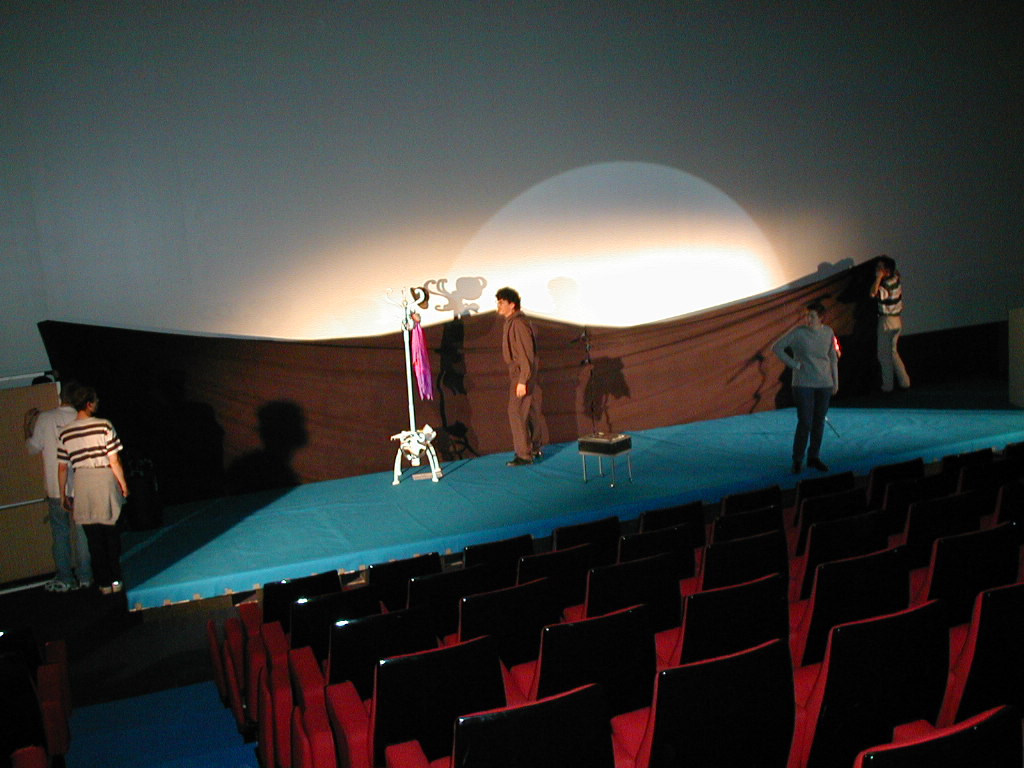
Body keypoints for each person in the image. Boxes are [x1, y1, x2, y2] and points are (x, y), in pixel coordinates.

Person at [57, 385, 130, 595]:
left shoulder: (65, 432)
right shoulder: (103, 425)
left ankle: (103, 582)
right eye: (96, 400)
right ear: (89, 404)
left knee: (93, 537)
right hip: (103, 478)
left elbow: (62, 467)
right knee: (111, 533)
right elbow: (114, 459)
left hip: (82, 481)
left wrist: (63, 494)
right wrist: (123, 484)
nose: (98, 403)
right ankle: (116, 579)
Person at [23, 379, 93, 592]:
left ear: (60, 397)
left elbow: (32, 448)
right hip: (81, 485)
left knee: (60, 534)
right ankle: (85, 576)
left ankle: (65, 577)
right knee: (83, 534)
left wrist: (27, 427)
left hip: (55, 487)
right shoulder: (81, 418)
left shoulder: (45, 418)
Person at [773, 301, 840, 473]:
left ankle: (813, 457)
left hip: (824, 383)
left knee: (819, 422)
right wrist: (794, 364)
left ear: (821, 317)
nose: (808, 319)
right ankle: (797, 459)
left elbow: (832, 358)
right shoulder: (798, 332)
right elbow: (777, 347)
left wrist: (835, 381)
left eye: (812, 316)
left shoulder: (828, 332)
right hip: (803, 384)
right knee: (805, 422)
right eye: (807, 316)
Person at [496, 287, 545, 466]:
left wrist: (523, 380)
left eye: (502, 302)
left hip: (522, 374)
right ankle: (535, 448)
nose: (498, 306)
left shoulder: (518, 323)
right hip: (520, 373)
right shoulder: (512, 322)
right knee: (529, 411)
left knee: (516, 412)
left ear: (512, 304)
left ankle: (524, 455)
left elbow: (526, 354)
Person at [869, 255, 911, 392]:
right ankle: (905, 382)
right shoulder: (896, 279)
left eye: (880, 268)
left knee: (883, 355)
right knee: (893, 352)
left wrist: (878, 278)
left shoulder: (886, 284)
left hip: (886, 321)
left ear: (886, 270)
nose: (877, 269)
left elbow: (873, 293)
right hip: (897, 320)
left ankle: (887, 386)